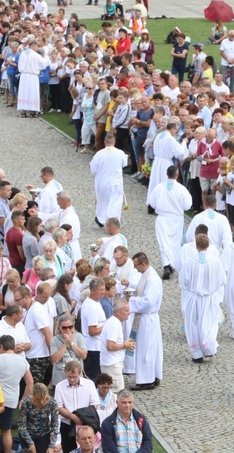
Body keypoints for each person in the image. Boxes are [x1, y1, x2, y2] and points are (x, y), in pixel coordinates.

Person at [179, 234, 226, 363]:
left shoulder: (189, 262)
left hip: (193, 298)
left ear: (196, 246)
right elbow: (222, 280)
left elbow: (183, 282)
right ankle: (208, 347)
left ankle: (197, 353)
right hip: (209, 298)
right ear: (208, 245)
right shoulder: (215, 260)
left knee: (193, 324)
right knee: (209, 323)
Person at [126, 252, 163, 391]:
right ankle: (152, 375)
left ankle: (146, 379)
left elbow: (148, 301)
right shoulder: (146, 275)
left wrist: (131, 301)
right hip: (145, 318)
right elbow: (141, 287)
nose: (135, 269)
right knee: (150, 347)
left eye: (136, 265)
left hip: (147, 318)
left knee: (146, 348)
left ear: (143, 264)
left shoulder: (152, 279)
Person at [148, 165, 192, 279]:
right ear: (177, 175)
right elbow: (188, 206)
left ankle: (167, 265)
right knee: (175, 243)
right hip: (176, 219)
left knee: (164, 243)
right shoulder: (182, 189)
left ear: (167, 174)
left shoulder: (159, 188)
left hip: (163, 218)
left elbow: (152, 203)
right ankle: (171, 264)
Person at [0, 335, 32, 453]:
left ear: (1, 346)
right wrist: (23, 399)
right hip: (12, 399)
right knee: (6, 430)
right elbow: (30, 383)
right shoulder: (22, 361)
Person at [55, 361, 100, 453]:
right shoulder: (60, 386)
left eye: (74, 377)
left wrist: (82, 416)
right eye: (69, 377)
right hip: (67, 424)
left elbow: (95, 404)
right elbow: (58, 407)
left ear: (80, 373)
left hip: (85, 424)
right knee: (68, 449)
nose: (71, 380)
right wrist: (73, 417)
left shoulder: (89, 384)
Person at [90, 135, 127, 227]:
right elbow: (124, 164)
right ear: (114, 143)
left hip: (103, 181)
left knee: (102, 201)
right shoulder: (120, 153)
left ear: (104, 142)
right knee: (115, 202)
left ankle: (101, 219)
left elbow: (93, 169)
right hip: (115, 182)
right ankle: (112, 221)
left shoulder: (99, 154)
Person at [17, 383, 60, 453]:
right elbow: (21, 426)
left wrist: (51, 445)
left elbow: (54, 425)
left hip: (44, 434)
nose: (42, 402)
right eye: (38, 400)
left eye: (45, 399)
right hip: (28, 434)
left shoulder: (52, 403)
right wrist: (31, 444)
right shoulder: (26, 403)